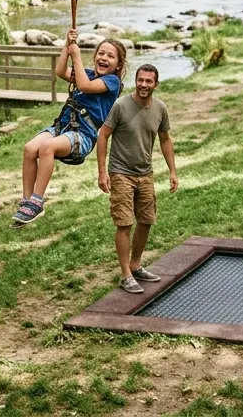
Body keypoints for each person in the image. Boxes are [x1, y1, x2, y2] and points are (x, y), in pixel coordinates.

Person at [13, 31, 126, 227]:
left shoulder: (112, 82)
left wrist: (77, 56)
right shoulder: (87, 73)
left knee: (47, 147)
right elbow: (60, 71)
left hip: (82, 135)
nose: (104, 58)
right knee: (29, 149)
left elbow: (85, 85)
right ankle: (27, 200)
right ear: (95, 56)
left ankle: (37, 201)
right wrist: (67, 46)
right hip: (62, 127)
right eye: (101, 53)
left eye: (110, 56)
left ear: (118, 65)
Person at [96, 64, 177, 294]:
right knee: (124, 223)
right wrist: (102, 171)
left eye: (148, 81)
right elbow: (103, 135)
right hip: (121, 172)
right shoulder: (121, 105)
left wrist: (172, 171)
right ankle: (125, 275)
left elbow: (165, 139)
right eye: (140, 80)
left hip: (145, 173)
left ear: (156, 84)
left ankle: (136, 265)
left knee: (146, 220)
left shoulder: (160, 108)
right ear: (136, 81)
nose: (143, 85)